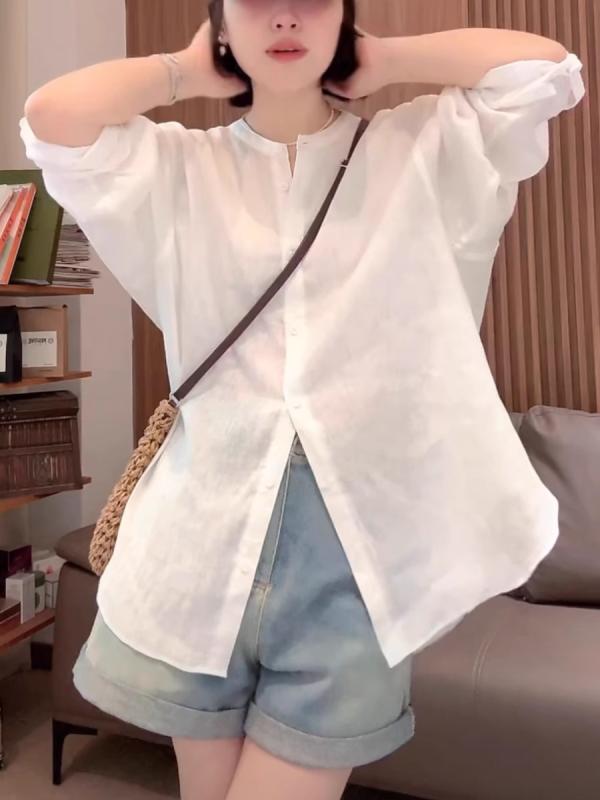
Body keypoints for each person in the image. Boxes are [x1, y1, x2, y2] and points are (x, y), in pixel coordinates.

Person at [20, 2, 584, 799]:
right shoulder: (179, 168)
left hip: (352, 566)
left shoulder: (424, 149)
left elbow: (542, 69)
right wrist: (184, 71)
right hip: (198, 554)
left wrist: (386, 60)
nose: (285, 16)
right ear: (222, 21)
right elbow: (53, 118)